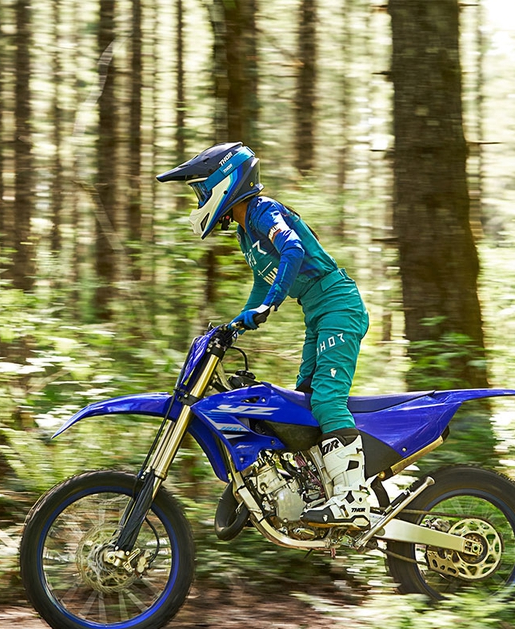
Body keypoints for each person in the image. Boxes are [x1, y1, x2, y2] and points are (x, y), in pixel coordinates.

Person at [156, 142, 372, 525]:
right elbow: (263, 281)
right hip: (317, 312)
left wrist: (270, 304)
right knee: (304, 401)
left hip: (338, 305)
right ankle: (317, 487)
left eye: (202, 190)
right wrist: (234, 326)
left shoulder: (262, 211)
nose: (200, 199)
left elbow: (293, 251)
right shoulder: (245, 231)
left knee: (326, 400)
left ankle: (355, 500)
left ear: (225, 183)